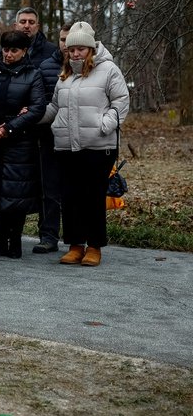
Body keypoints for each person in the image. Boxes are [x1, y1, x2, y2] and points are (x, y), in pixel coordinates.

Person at [41, 21, 129, 267]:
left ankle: (94, 247)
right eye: (71, 49)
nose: (76, 53)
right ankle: (75, 245)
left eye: (81, 48)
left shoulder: (109, 70)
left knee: (92, 197)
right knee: (70, 197)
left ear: (90, 49)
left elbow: (121, 101)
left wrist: (105, 124)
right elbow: (56, 107)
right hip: (67, 147)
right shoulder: (65, 74)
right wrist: (37, 114)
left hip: (98, 147)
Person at [0, 30, 46, 259]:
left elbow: (37, 108)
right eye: (5, 49)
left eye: (14, 50)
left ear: (24, 51)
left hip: (19, 142)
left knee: (17, 192)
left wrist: (9, 127)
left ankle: (14, 240)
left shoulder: (33, 75)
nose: (8, 54)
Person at [33, 24, 71, 254]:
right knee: (49, 190)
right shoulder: (46, 66)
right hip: (50, 137)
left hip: (81, 140)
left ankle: (77, 238)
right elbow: (43, 103)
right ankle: (48, 236)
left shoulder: (92, 67)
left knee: (75, 190)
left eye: (70, 39)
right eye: (62, 39)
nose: (66, 45)